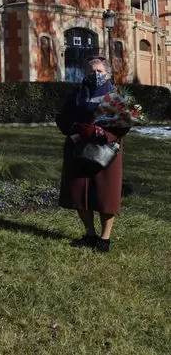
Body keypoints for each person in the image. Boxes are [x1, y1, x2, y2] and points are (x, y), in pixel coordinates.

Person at [55, 56, 128, 253]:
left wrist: (103, 133)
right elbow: (63, 117)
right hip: (79, 147)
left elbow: (123, 123)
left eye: (99, 72)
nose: (95, 75)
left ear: (108, 74)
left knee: (106, 195)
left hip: (106, 152)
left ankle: (104, 239)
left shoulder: (115, 95)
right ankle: (90, 234)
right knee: (79, 193)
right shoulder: (78, 93)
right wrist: (75, 129)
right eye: (92, 72)